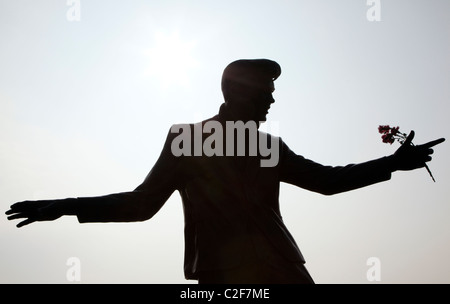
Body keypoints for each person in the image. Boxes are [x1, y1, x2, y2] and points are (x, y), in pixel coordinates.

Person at [6, 59, 445, 284]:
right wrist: (66, 206)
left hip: (283, 271)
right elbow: (142, 205)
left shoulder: (267, 146)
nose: (272, 102)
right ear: (239, 93)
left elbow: (327, 182)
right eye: (265, 93)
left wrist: (392, 163)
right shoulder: (188, 139)